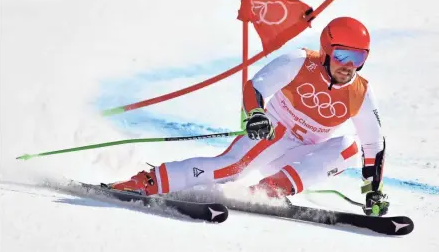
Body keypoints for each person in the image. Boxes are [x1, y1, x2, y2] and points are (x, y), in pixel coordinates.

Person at [109, 16, 389, 216]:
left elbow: (374, 145)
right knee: (230, 169)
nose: (349, 66)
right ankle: (150, 181)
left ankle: (272, 189)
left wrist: (372, 189)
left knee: (349, 146)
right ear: (327, 50)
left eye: (359, 57)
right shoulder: (301, 61)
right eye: (342, 55)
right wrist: (256, 115)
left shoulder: (361, 92)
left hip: (304, 152)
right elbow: (256, 86)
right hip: (274, 132)